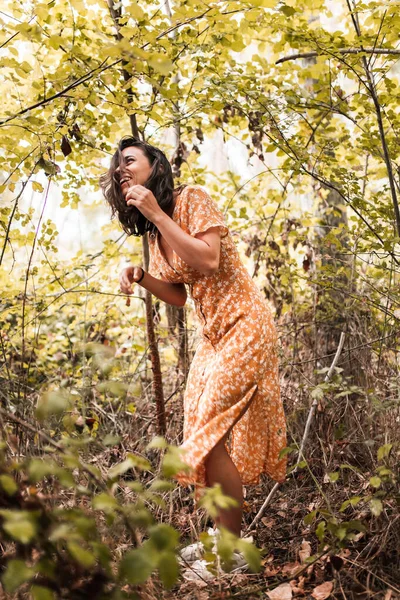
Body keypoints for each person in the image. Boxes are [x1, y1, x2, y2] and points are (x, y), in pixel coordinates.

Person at [101, 136, 287, 541]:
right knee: (199, 434)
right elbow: (179, 295)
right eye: (118, 167)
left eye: (130, 160)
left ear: (156, 165)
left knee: (210, 431)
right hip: (214, 338)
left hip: (246, 324)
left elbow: (208, 258)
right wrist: (141, 275)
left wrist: (156, 212)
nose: (122, 169)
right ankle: (224, 541)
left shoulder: (192, 199)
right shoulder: (153, 234)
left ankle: (230, 549)